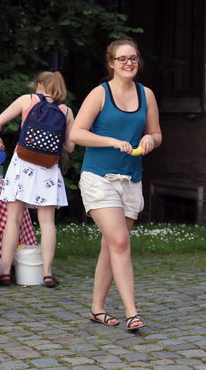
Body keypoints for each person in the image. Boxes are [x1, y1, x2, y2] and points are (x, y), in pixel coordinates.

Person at [70, 36, 162, 332]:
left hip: (131, 179)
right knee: (120, 241)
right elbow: (77, 133)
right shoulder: (100, 94)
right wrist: (111, 141)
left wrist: (149, 139)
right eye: (122, 58)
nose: (128, 63)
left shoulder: (146, 95)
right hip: (99, 177)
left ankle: (97, 309)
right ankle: (132, 312)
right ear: (111, 63)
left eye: (133, 58)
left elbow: (156, 134)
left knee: (111, 246)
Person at [0, 71, 75, 288]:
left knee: (14, 220)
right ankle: (47, 273)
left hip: (23, 164)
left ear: (39, 84)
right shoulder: (66, 111)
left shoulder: (27, 100)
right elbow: (70, 146)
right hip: (48, 168)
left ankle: (4, 271)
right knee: (47, 222)